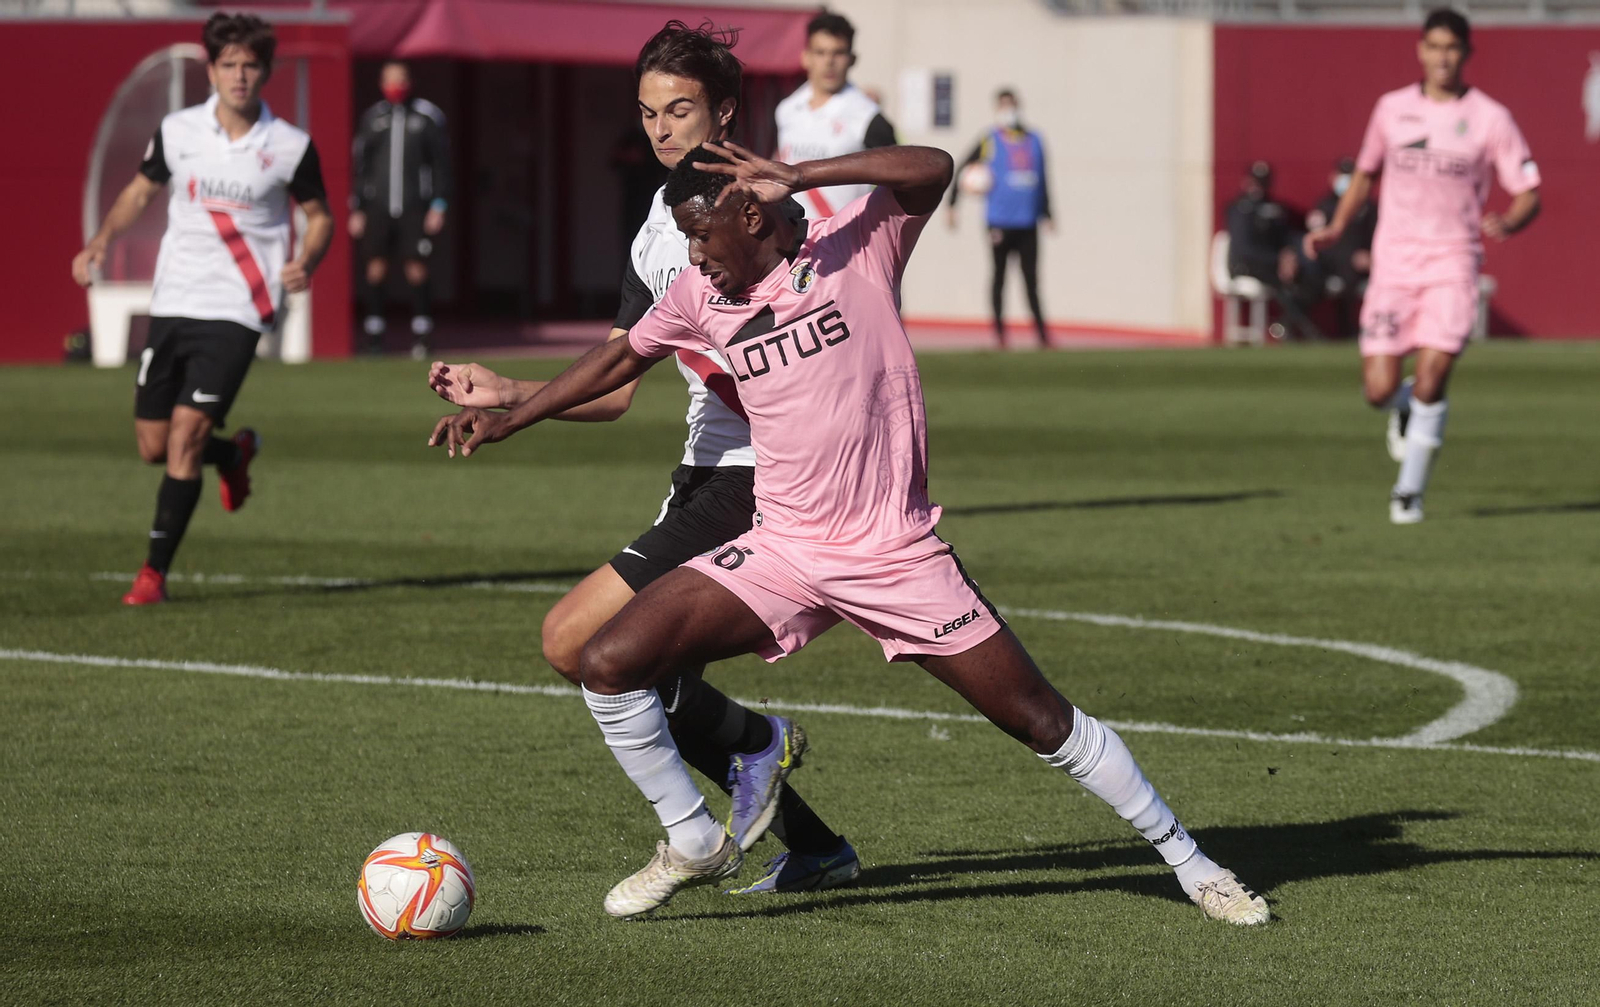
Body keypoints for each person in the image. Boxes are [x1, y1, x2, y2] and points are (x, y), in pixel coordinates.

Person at [428, 142, 1272, 927]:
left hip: (895, 553)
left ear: (749, 214)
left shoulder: (856, 247)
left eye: (701, 234)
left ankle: (1192, 862)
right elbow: (614, 364)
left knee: (1039, 718)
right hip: (785, 547)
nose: (692, 256)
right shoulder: (697, 296)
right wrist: (512, 413)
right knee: (607, 661)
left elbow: (933, 166)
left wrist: (800, 174)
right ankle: (692, 837)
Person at [427, 21, 858, 896]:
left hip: (765, 476)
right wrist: (510, 391)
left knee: (576, 639)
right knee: (643, 673)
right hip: (701, 471)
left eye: (681, 109)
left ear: (725, 111)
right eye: (648, 112)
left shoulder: (777, 210)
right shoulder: (657, 230)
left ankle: (720, 798)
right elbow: (620, 384)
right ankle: (814, 843)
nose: (661, 128)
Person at [71, 12, 331, 606]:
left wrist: (307, 260)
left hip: (240, 308)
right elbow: (140, 190)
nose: (240, 75)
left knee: (184, 437)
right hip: (174, 300)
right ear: (210, 69)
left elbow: (321, 217)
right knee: (153, 445)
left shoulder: (290, 146)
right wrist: (102, 241)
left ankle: (152, 575)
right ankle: (232, 453)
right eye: (229, 64)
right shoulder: (177, 130)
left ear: (265, 72)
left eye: (250, 65)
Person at [1307, 8, 1541, 524]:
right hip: (1395, 265)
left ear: (1466, 53)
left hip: (1452, 262)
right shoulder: (1392, 110)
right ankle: (1403, 405)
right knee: (1378, 391)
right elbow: (1365, 174)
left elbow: (1528, 191)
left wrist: (1512, 221)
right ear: (1420, 50)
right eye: (1434, 46)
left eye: (1452, 48)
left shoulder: (1489, 117)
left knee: (1435, 376)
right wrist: (1336, 227)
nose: (1442, 57)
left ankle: (1408, 491)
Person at [350, 61, 450, 358]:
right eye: (390, 79)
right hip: (379, 207)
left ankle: (422, 331)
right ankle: (375, 331)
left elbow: (441, 165)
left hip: (413, 207)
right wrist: (357, 207)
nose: (395, 84)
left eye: (400, 79)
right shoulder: (373, 118)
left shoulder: (427, 117)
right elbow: (361, 166)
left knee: (415, 266)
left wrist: (438, 204)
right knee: (376, 266)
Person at [947, 88, 1054, 348]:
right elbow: (963, 166)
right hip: (999, 221)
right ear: (997, 109)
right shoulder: (990, 139)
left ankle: (1042, 335)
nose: (1009, 111)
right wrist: (952, 204)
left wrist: (1048, 212)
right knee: (999, 276)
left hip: (1028, 221)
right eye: (1004, 106)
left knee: (1031, 279)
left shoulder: (1035, 139)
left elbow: (1043, 180)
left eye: (1012, 105)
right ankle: (1000, 334)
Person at [774, 11, 897, 219]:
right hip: (791, 240)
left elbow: (899, 181)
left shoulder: (868, 117)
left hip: (844, 242)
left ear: (852, 59)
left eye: (838, 52)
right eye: (821, 52)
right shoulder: (786, 109)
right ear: (806, 57)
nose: (829, 61)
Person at [1225, 161, 1321, 341]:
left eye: (1263, 182)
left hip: (1275, 264)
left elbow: (1286, 238)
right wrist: (1278, 260)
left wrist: (1290, 256)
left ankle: (1284, 325)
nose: (1259, 187)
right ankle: (1306, 331)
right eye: (1255, 181)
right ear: (1247, 181)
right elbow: (1244, 248)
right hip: (1247, 265)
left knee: (1311, 276)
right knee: (1281, 283)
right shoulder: (1239, 208)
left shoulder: (1276, 209)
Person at [1306, 157, 1377, 338]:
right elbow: (1320, 244)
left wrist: (1370, 256)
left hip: (1368, 263)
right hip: (1335, 264)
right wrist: (1350, 256)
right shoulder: (1325, 206)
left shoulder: (1368, 206)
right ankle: (1346, 330)